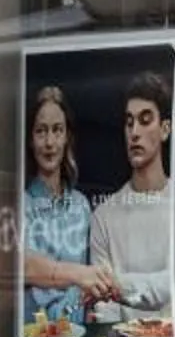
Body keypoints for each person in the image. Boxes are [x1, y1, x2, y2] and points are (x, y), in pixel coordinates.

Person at [20, 83, 114, 321]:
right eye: (41, 131)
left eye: (57, 130)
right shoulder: (21, 204)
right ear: (31, 140)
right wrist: (79, 274)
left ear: (67, 137)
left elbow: (90, 281)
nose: (50, 142)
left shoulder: (82, 206)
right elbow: (24, 266)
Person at [89, 72, 175, 314]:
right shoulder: (103, 217)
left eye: (145, 120)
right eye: (129, 122)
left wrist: (118, 285)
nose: (134, 132)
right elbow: (102, 308)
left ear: (165, 129)